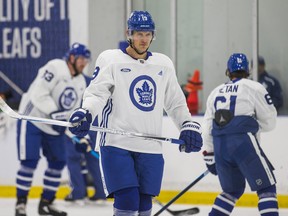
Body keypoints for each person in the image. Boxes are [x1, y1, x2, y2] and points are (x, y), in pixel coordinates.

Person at [68, 10, 203, 216]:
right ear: (129, 34)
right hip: (116, 143)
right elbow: (97, 94)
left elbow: (175, 102)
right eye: (139, 34)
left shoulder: (163, 64)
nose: (144, 39)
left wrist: (187, 125)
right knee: (127, 200)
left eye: (148, 34)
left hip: (150, 145)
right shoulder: (111, 59)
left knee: (143, 204)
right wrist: (86, 112)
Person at [15, 42, 91, 216]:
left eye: (86, 60)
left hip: (53, 125)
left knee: (58, 163)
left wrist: (79, 137)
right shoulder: (55, 67)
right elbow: (38, 94)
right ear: (72, 57)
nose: (84, 63)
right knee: (29, 162)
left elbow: (72, 115)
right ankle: (21, 204)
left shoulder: (80, 82)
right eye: (81, 59)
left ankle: (46, 203)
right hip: (32, 119)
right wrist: (55, 113)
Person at [202, 53, 278, 216]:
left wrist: (209, 156)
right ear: (248, 70)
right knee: (266, 188)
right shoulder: (254, 87)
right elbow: (270, 121)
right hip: (243, 143)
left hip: (220, 146)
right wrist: (250, 125)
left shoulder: (215, 92)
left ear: (228, 71)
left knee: (232, 191)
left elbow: (207, 128)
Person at [64, 119, 106, 205]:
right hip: (95, 125)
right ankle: (101, 194)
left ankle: (78, 194)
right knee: (94, 161)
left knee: (73, 160)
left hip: (75, 126)